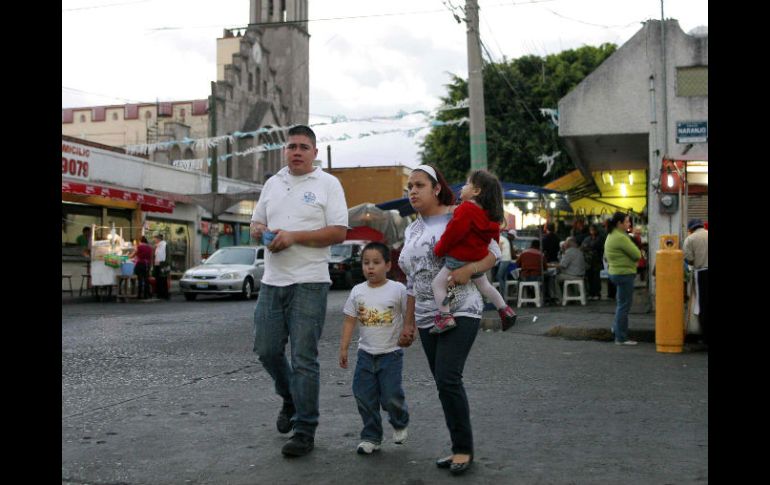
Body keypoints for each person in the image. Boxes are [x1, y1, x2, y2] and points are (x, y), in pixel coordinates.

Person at [249, 124, 349, 457]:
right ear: (285, 150)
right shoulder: (272, 183)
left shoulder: (328, 184)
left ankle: (305, 429)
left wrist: (293, 236)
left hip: (310, 281)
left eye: (304, 147)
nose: (297, 151)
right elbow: (255, 224)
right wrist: (261, 230)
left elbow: (338, 232)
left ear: (314, 152)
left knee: (304, 358)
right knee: (266, 349)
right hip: (271, 282)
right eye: (292, 146)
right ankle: (290, 396)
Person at [397, 164, 500, 475]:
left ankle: (463, 450)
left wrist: (468, 270)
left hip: (461, 307)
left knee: (447, 377)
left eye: (419, 185)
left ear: (436, 188)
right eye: (409, 187)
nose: (412, 191)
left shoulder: (462, 213)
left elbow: (493, 251)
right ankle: (459, 446)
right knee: (444, 384)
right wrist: (408, 321)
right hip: (428, 315)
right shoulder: (412, 229)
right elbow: (412, 280)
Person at [339, 242, 410, 455]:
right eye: (366, 263)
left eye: (376, 263)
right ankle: (371, 436)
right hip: (365, 355)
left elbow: (409, 315)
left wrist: (409, 331)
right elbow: (350, 321)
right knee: (363, 395)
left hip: (391, 354)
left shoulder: (398, 289)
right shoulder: (357, 291)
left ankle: (400, 421)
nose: (370, 267)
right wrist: (344, 348)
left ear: (388, 265)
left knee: (390, 396)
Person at [431, 169, 517, 333]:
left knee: (437, 284)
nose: (462, 187)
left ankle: (445, 317)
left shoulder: (465, 209)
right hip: (477, 258)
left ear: (476, 191)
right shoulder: (489, 215)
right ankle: (505, 310)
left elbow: (453, 234)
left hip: (459, 258)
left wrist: (439, 249)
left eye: (466, 184)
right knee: (485, 286)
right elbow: (493, 240)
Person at [604, 211, 641, 346]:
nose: (629, 223)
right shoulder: (621, 237)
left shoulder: (612, 235)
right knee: (624, 306)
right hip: (624, 273)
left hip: (615, 272)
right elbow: (637, 254)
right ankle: (621, 337)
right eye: (626, 221)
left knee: (621, 305)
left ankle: (617, 330)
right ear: (619, 223)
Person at [683, 218, 708, 345]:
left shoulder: (690, 239)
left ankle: (705, 337)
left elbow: (689, 259)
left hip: (702, 273)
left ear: (691, 229)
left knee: (702, 305)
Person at [553, 237, 586, 302]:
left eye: (565, 243)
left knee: (556, 278)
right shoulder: (579, 251)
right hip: (580, 275)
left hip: (573, 275)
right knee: (564, 277)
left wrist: (552, 265)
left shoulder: (569, 252)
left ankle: (560, 299)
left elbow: (562, 265)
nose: (564, 244)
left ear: (568, 244)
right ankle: (571, 296)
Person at [581, 224, 604, 300]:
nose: (592, 231)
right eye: (590, 229)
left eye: (593, 229)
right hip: (589, 261)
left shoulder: (599, 238)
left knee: (596, 278)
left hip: (596, 261)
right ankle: (591, 293)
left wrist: (588, 247)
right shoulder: (588, 238)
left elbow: (595, 246)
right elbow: (583, 246)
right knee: (590, 277)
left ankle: (597, 293)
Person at [495, 229, 513, 298]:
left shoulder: (500, 238)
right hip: (506, 259)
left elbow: (499, 250)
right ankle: (504, 296)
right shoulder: (503, 238)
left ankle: (502, 295)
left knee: (498, 276)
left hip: (504, 259)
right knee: (503, 277)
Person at [152, 234, 170, 300]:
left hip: (163, 265)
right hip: (157, 265)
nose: (154, 240)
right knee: (158, 280)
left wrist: (165, 264)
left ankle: (165, 294)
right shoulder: (157, 246)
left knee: (163, 280)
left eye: (155, 238)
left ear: (159, 239)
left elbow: (167, 256)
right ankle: (160, 294)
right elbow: (155, 255)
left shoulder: (165, 245)